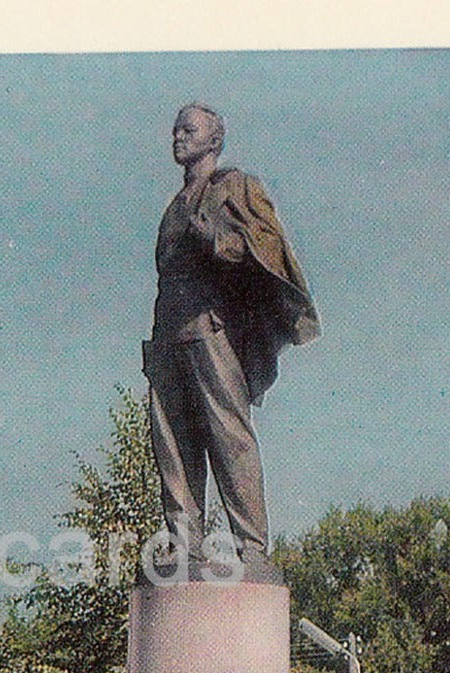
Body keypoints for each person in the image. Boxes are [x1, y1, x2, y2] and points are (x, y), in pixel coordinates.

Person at [143, 103, 319, 584]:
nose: (178, 136)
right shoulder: (173, 205)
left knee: (229, 436)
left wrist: (215, 237)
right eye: (175, 128)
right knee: (173, 445)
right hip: (167, 336)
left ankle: (253, 548)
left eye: (189, 129)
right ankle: (183, 543)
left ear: (214, 141)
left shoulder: (235, 187)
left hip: (210, 330)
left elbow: (262, 248)